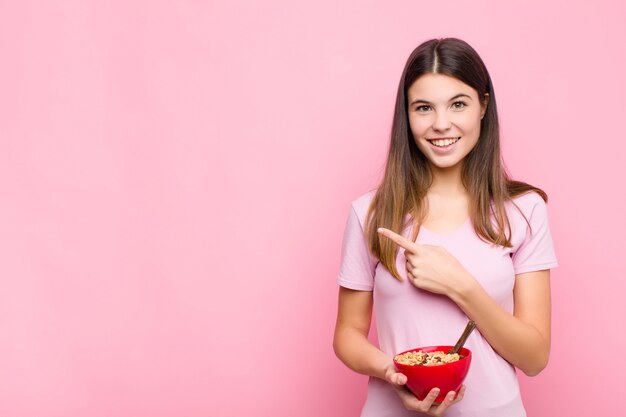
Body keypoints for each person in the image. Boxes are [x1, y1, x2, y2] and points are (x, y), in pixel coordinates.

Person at [333, 38, 557, 417]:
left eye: (458, 104)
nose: (441, 124)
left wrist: (459, 284)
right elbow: (347, 335)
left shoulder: (523, 211)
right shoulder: (370, 213)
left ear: (483, 106)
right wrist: (395, 373)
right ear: (407, 115)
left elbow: (534, 357)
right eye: (423, 108)